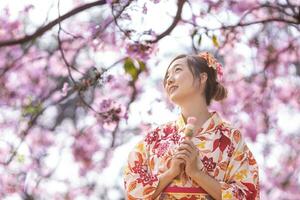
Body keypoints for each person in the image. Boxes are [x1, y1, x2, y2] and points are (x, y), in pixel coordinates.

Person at [123, 52, 260, 200]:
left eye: (177, 70)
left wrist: (196, 174)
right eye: (167, 76)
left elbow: (248, 194)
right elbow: (133, 189)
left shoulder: (230, 137)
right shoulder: (154, 138)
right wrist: (171, 172)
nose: (169, 80)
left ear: (202, 78)